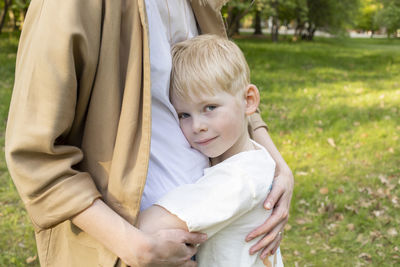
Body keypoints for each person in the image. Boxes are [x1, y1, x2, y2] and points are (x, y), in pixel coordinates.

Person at [5, 0, 293, 266]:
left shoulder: (197, 4)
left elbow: (226, 84)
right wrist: (131, 244)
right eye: (185, 116)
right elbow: (34, 155)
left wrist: (275, 167)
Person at [138, 34, 284, 267]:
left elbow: (147, 228)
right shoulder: (256, 157)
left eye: (210, 107)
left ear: (248, 100)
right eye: (184, 115)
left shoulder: (236, 179)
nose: (197, 126)